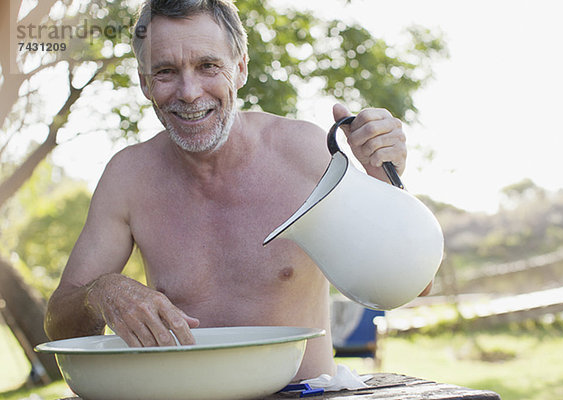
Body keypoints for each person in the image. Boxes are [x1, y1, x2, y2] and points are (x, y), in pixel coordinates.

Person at [44, 0, 429, 380]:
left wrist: (383, 176)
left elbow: (418, 283)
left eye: (208, 66)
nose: (190, 92)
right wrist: (103, 291)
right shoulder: (126, 177)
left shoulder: (307, 153)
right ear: (145, 83)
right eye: (165, 72)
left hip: (309, 393)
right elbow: (60, 326)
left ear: (240, 68)